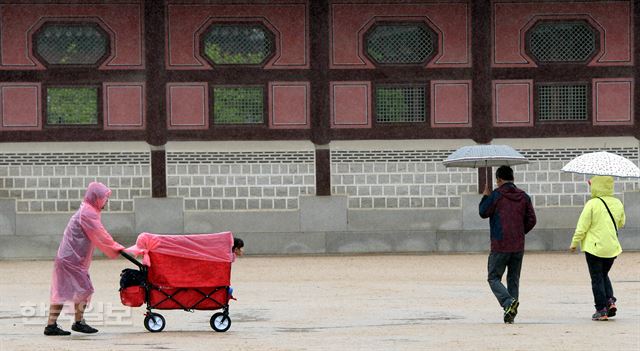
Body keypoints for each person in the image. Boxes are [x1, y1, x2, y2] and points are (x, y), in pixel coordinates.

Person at [44, 182, 125, 336]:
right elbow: (100, 234)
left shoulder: (89, 211)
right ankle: (68, 323)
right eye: (104, 198)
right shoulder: (88, 213)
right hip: (70, 260)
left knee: (67, 290)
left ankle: (62, 324)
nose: (106, 201)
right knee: (80, 289)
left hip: (72, 259)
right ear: (97, 198)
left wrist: (114, 247)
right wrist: (115, 247)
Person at [479, 165, 537, 324]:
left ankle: (507, 303)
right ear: (513, 178)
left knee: (493, 277)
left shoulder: (496, 195)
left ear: (498, 179)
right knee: (513, 279)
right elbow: (532, 220)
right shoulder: (523, 196)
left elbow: (483, 212)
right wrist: (519, 232)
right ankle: (510, 312)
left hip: (500, 244)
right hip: (518, 245)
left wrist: (485, 196)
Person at [569, 176, 625, 321]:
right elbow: (621, 222)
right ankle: (610, 301)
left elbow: (582, 227)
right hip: (612, 248)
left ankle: (601, 310)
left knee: (596, 278)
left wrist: (574, 243)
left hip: (594, 249)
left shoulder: (592, 204)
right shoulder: (618, 203)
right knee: (603, 274)